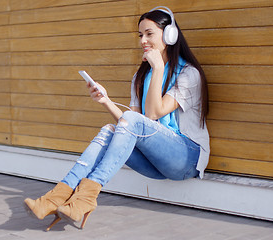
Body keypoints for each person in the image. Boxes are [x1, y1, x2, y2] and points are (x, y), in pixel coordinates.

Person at [24, 6, 210, 231]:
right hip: (155, 161)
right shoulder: (140, 76)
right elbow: (130, 126)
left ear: (170, 35)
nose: (143, 40)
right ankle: (58, 198)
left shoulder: (189, 74)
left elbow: (151, 115)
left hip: (186, 158)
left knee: (130, 121)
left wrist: (159, 67)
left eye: (149, 34)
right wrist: (106, 101)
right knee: (109, 130)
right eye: (140, 35)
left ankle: (83, 199)